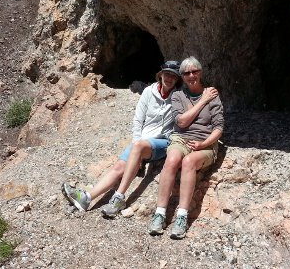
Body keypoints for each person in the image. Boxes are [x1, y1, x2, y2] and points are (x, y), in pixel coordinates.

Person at [61, 61, 182, 217]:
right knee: (119, 166)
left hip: (162, 142)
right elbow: (138, 119)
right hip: (142, 142)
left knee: (137, 148)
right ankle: (87, 198)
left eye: (173, 76)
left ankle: (119, 198)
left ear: (177, 79)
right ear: (161, 75)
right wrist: (136, 145)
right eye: (167, 74)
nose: (169, 78)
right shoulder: (148, 92)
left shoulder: (179, 97)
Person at [148, 56, 224, 239]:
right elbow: (181, 122)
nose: (191, 75)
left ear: (200, 72)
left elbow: (219, 128)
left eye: (194, 71)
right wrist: (202, 100)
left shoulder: (212, 94)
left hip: (205, 143)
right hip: (181, 139)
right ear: (182, 76)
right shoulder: (178, 96)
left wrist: (203, 144)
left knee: (189, 161)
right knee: (172, 159)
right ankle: (160, 213)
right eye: (187, 73)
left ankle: (182, 216)